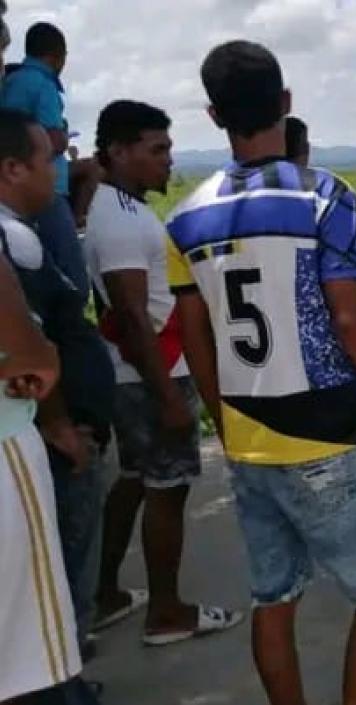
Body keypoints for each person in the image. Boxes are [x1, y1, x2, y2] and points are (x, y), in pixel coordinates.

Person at [167, 40, 356, 705]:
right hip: (327, 430)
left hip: (249, 436)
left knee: (273, 596)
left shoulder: (184, 217)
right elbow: (348, 319)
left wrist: (222, 419)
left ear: (213, 115)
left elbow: (196, 334)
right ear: (286, 105)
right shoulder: (324, 197)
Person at [85, 99, 241, 647]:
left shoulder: (117, 208)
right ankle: (168, 612)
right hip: (153, 375)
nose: (167, 161)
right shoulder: (122, 221)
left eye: (168, 149)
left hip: (137, 375)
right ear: (118, 153)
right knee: (166, 488)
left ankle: (104, 593)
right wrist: (169, 396)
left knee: (134, 480)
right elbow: (132, 313)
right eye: (156, 150)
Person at [0, 106, 93, 705]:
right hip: (7, 441)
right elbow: (32, 355)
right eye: (48, 160)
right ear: (11, 169)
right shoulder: (13, 238)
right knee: (33, 650)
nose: (55, 172)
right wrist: (42, 365)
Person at [0, 23, 86, 297]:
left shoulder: (12, 80)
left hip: (12, 190)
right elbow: (55, 141)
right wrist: (61, 133)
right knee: (74, 282)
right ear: (58, 56)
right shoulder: (43, 84)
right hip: (44, 192)